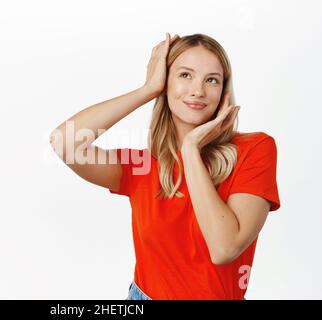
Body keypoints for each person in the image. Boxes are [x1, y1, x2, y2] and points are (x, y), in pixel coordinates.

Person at [49, 33, 280, 300]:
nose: (198, 90)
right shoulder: (143, 166)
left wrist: (190, 149)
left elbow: (224, 248)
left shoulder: (254, 150)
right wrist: (146, 90)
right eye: (185, 75)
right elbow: (63, 142)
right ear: (166, 84)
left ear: (223, 93)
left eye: (211, 80)